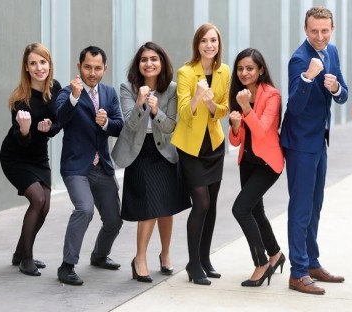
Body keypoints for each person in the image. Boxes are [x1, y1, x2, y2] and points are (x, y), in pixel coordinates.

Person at [280, 6, 348, 295]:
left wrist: (335, 89)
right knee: (301, 207)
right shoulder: (298, 59)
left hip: (319, 141)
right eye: (314, 31)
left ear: (331, 29)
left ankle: (311, 262)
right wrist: (308, 78)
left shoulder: (332, 52)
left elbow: (343, 94)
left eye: (324, 30)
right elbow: (294, 106)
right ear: (305, 30)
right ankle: (297, 272)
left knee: (315, 205)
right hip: (299, 144)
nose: (319, 36)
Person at [112, 42, 190, 283]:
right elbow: (129, 125)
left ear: (162, 63)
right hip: (139, 152)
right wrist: (139, 104)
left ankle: (165, 254)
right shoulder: (127, 87)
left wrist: (156, 112)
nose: (149, 63)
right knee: (149, 206)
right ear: (139, 65)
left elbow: (172, 126)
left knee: (166, 207)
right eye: (144, 59)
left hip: (164, 152)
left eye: (154, 59)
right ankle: (140, 259)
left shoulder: (173, 89)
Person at [55, 46, 123, 286]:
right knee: (85, 209)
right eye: (87, 67)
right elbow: (59, 119)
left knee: (115, 220)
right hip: (76, 167)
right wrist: (74, 97)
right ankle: (67, 266)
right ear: (79, 67)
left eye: (97, 68)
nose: (92, 73)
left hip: (102, 166)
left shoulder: (109, 93)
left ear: (105, 68)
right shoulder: (67, 92)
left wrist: (106, 124)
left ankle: (99, 255)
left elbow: (119, 125)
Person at [171, 23, 230, 286]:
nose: (209, 45)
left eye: (213, 41)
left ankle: (204, 259)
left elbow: (224, 109)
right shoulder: (186, 72)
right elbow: (183, 113)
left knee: (213, 205)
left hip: (214, 146)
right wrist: (196, 98)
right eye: (204, 41)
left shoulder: (224, 71)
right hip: (191, 148)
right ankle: (193, 264)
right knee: (202, 203)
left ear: (219, 44)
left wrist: (211, 104)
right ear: (197, 44)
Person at [0, 43, 61, 277]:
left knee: (45, 204)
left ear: (49, 64)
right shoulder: (19, 99)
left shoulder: (55, 89)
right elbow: (20, 140)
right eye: (33, 63)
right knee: (37, 200)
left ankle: (19, 253)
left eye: (43, 62)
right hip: (15, 157)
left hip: (39, 156)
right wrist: (25, 131)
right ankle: (27, 258)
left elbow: (59, 122)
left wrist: (49, 128)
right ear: (26, 67)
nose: (39, 67)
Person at [228, 48, 286, 287]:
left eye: (250, 68)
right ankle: (275, 254)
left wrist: (247, 108)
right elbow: (235, 140)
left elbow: (262, 131)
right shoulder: (239, 94)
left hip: (268, 164)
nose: (244, 73)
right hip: (248, 162)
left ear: (261, 70)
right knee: (255, 211)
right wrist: (234, 125)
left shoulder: (272, 95)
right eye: (240, 68)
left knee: (241, 209)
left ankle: (261, 263)